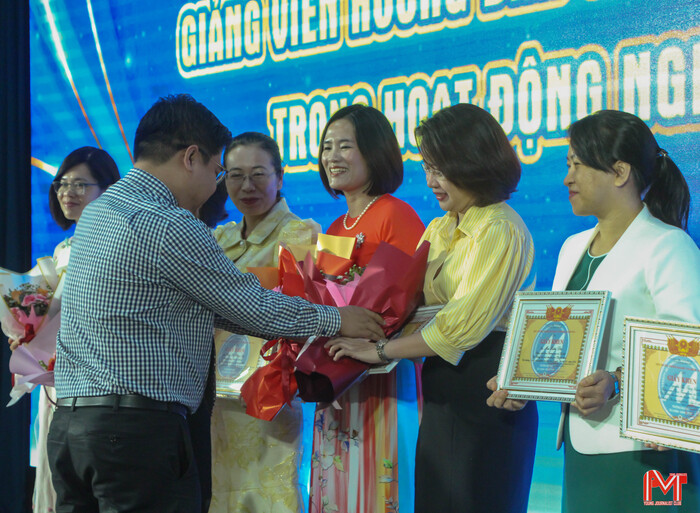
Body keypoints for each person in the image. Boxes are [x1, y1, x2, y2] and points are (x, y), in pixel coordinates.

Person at [46, 94, 385, 513]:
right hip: (134, 435)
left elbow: (225, 309)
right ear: (191, 157)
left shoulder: (99, 212)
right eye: (219, 171)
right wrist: (337, 319)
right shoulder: (168, 223)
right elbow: (250, 307)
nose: (217, 186)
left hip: (71, 429)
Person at [328, 103, 539, 513]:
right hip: (441, 387)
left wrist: (379, 350)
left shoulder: (500, 227)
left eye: (440, 170)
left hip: (487, 390)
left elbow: (458, 330)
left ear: (472, 163)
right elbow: (412, 305)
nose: (430, 181)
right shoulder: (441, 226)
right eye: (427, 168)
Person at [487, 110, 700, 512]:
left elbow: (690, 356)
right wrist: (519, 382)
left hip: (644, 453)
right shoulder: (572, 248)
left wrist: (616, 383)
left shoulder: (669, 247)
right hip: (581, 444)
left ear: (620, 172)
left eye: (578, 165)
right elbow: (559, 345)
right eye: (567, 165)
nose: (567, 178)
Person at [310, 104, 425, 513]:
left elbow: (409, 300)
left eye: (345, 146)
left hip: (383, 378)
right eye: (327, 147)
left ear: (374, 151)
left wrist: (367, 339)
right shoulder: (335, 227)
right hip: (337, 380)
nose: (332, 157)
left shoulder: (396, 213)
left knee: (379, 488)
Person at [210, 132, 320, 513]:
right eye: (235, 175)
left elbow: (303, 312)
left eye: (258, 174)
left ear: (280, 177)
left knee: (269, 495)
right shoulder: (218, 237)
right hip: (217, 398)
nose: (247, 186)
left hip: (268, 395)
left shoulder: (300, 234)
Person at [26, 147, 120, 513]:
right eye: (63, 183)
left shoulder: (114, 245)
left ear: (108, 189)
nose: (68, 192)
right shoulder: (62, 250)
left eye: (81, 184)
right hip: (56, 383)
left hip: (96, 385)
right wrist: (27, 336)